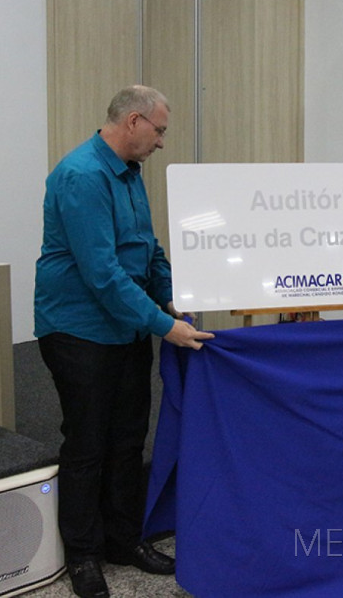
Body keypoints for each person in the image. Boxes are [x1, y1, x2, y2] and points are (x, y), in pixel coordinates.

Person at [34, 85, 213, 598]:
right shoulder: (81, 176)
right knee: (89, 442)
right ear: (133, 122)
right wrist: (165, 325)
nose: (161, 142)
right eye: (158, 131)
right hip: (78, 330)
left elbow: (146, 251)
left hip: (125, 327)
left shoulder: (130, 174)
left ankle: (122, 539)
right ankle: (84, 556)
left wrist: (174, 298)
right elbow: (103, 274)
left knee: (128, 438)